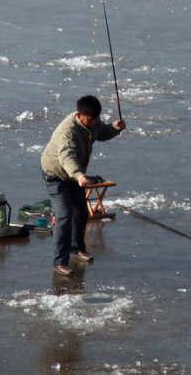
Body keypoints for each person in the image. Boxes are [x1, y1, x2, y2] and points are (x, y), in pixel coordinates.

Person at [41, 95, 126, 276]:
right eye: (90, 119)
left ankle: (77, 248)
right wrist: (79, 175)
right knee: (65, 215)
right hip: (55, 175)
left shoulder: (92, 122)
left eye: (96, 119)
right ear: (79, 114)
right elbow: (67, 156)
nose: (93, 122)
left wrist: (115, 128)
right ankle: (59, 262)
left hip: (73, 177)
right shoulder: (67, 132)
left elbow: (102, 133)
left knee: (81, 211)